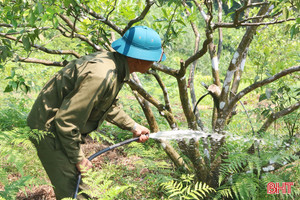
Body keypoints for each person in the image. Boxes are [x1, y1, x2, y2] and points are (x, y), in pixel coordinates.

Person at [27, 26, 166, 199]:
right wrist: (78, 159)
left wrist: (134, 126)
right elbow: (66, 122)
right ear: (137, 58)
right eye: (152, 59)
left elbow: (107, 105)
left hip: (58, 127)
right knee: (75, 193)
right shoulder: (101, 76)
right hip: (49, 131)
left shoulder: (114, 65)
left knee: (82, 190)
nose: (154, 63)